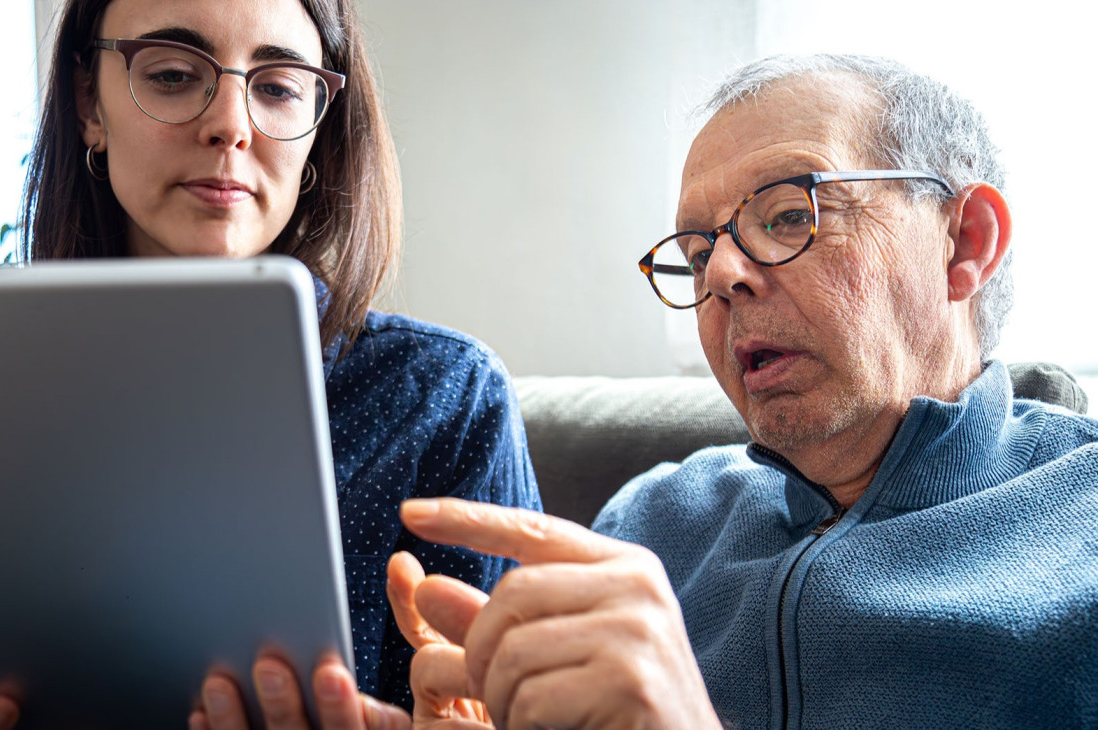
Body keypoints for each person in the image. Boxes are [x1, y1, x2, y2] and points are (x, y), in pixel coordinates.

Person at [199, 54, 1098, 729]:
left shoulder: (1081, 529)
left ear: (965, 241)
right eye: (700, 251)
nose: (727, 276)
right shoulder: (647, 527)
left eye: (788, 213)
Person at [0, 0, 539, 727]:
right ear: (87, 103)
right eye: (171, 74)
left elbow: (495, 705)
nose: (231, 123)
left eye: (279, 86)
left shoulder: (444, 399)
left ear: (318, 128)